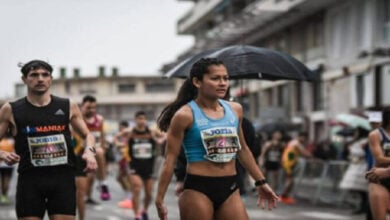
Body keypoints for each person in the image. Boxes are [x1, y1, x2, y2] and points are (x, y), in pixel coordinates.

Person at [155, 58, 279, 220]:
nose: (222, 83)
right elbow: (169, 160)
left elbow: (242, 150)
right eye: (215, 78)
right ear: (197, 82)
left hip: (230, 186)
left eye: (225, 78)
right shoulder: (184, 115)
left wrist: (261, 182)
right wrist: (159, 199)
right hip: (198, 189)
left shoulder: (235, 110)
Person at [0, 60, 97, 220]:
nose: (40, 79)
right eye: (34, 75)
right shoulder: (11, 109)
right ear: (24, 79)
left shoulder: (67, 106)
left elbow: (88, 135)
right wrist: (2, 154)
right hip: (30, 181)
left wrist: (90, 151)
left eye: (45, 75)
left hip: (62, 179)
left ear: (50, 79)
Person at [121, 111, 165, 220]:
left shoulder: (151, 131)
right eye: (139, 119)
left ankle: (144, 210)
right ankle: (136, 215)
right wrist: (121, 144)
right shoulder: (130, 132)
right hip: (134, 165)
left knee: (149, 194)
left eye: (143, 119)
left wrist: (160, 140)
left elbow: (166, 135)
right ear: (135, 120)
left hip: (149, 166)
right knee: (136, 188)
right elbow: (117, 137)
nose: (142, 121)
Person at [79, 95, 111, 203]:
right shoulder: (78, 119)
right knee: (87, 178)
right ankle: (101, 184)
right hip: (81, 151)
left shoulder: (100, 119)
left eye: (94, 107)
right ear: (82, 106)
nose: (92, 110)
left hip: (94, 150)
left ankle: (96, 189)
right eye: (88, 108)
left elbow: (102, 136)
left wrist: (103, 147)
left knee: (91, 176)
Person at [365, 108, 390, 220]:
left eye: (375, 122)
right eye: (372, 123)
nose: (373, 124)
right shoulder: (376, 134)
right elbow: (379, 159)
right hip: (380, 178)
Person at [338, 127, 370, 214]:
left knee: (362, 188)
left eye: (356, 132)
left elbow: (363, 153)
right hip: (355, 165)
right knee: (355, 187)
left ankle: (365, 206)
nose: (355, 133)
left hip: (362, 166)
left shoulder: (366, 141)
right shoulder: (355, 141)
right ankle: (362, 205)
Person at [280, 131, 312, 204]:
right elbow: (304, 152)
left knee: (290, 180)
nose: (304, 140)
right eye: (304, 138)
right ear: (301, 136)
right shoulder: (296, 143)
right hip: (288, 163)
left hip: (288, 162)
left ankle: (285, 196)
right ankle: (283, 196)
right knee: (290, 180)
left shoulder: (293, 142)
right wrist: (311, 156)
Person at [114, 120, 133, 209]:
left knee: (126, 177)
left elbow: (126, 146)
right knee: (120, 178)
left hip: (126, 159)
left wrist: (120, 145)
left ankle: (130, 197)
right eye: (120, 128)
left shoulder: (129, 136)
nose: (120, 130)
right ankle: (128, 195)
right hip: (121, 159)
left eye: (122, 128)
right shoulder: (120, 136)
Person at [0, 131, 15, 205]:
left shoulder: (1, 141)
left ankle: (3, 195)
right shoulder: (12, 141)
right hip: (9, 164)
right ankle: (4, 196)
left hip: (0, 163)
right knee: (7, 180)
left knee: (2, 180)